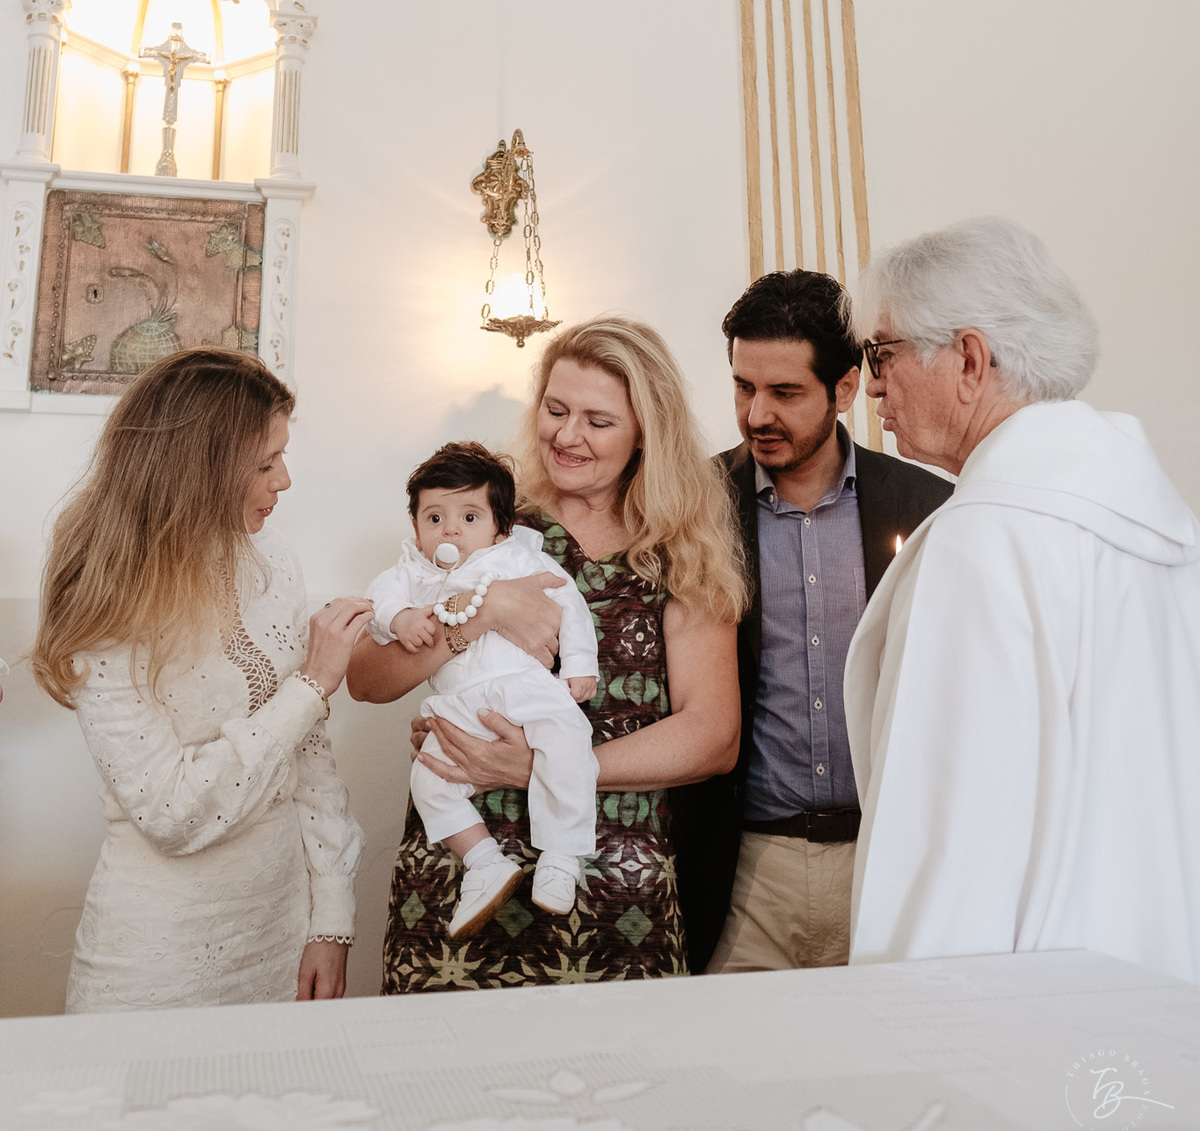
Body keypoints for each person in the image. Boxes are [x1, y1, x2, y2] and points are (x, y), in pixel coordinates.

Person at [845, 216, 1200, 984]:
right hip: (1160, 966)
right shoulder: (1161, 524)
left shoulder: (983, 538)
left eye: (882, 354)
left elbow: (949, 831)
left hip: (1023, 997)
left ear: (970, 360)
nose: (871, 385)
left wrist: (906, 1017)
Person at [347, 316, 747, 991]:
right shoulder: (483, 519)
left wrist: (542, 767)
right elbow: (366, 678)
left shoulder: (680, 549)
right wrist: (483, 614)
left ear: (646, 431)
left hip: (613, 886)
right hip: (463, 869)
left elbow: (713, 736)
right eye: (556, 410)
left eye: (598, 421)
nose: (566, 435)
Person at [31, 349, 373, 1013]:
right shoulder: (109, 597)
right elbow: (170, 813)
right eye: (266, 463)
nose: (285, 480)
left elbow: (309, 761)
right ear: (199, 468)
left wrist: (331, 919)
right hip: (158, 956)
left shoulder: (274, 559)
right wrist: (310, 687)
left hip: (281, 931)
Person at [670, 270, 952, 976]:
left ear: (845, 388)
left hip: (887, 860)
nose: (757, 413)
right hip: (743, 874)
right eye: (744, 387)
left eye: (786, 392)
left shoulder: (929, 508)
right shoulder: (692, 507)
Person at [365, 441, 599, 934]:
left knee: (568, 741)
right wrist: (401, 617)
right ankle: (484, 862)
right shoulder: (411, 572)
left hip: (523, 686)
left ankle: (561, 856)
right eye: (434, 518)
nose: (450, 530)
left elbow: (568, 602)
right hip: (458, 702)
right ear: (416, 527)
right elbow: (379, 601)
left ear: (500, 528)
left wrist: (579, 663)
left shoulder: (516, 558)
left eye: (469, 517)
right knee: (429, 778)